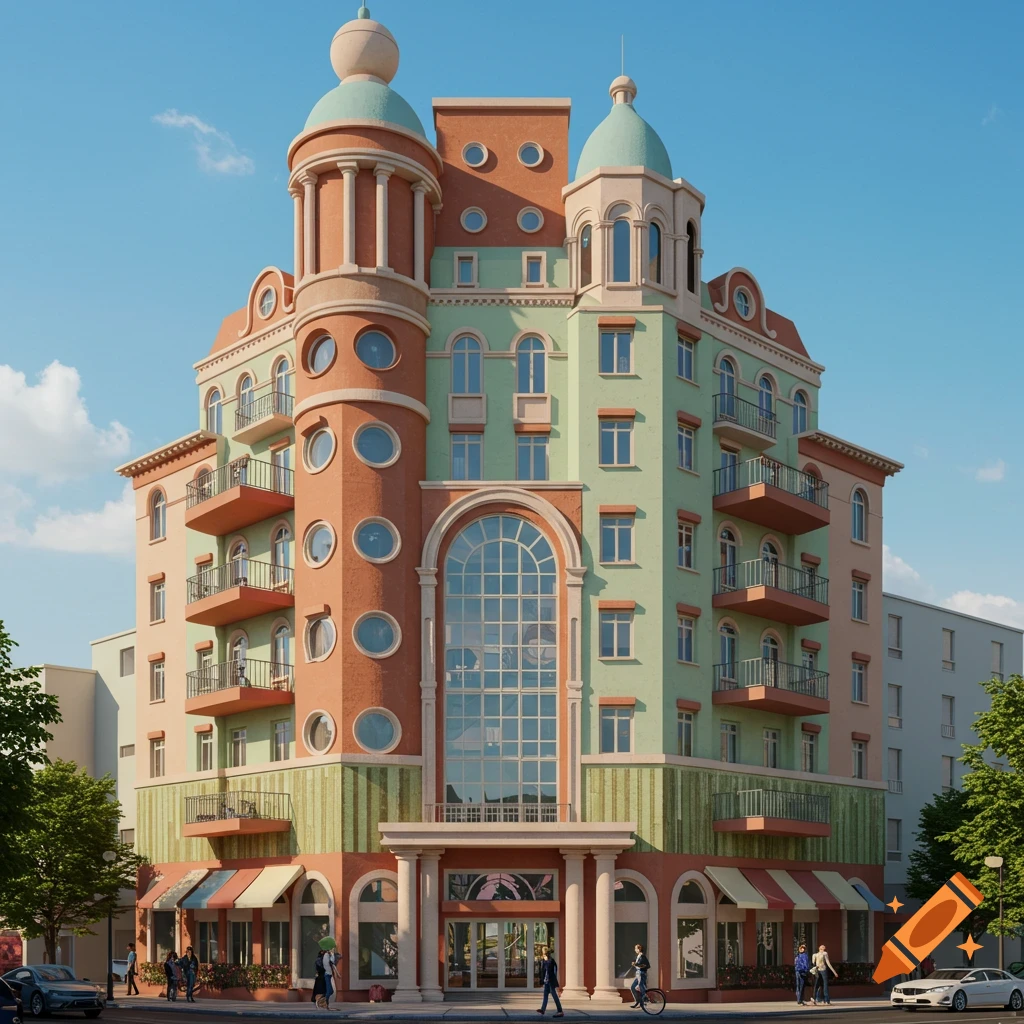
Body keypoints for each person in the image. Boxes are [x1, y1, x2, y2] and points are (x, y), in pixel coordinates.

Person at [535, 946, 563, 1018]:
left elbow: (554, 972)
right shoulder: (543, 961)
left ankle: (560, 1011)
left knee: (554, 996)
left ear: (545, 952)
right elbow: (542, 972)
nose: (542, 952)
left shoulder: (551, 961)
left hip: (550, 981)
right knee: (545, 996)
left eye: (543, 951)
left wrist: (555, 983)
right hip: (546, 981)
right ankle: (543, 1009)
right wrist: (542, 980)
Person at [630, 943, 650, 1009]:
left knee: (641, 988)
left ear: (639, 949)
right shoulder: (637, 956)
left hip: (642, 973)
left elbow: (647, 965)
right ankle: (638, 1001)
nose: (635, 949)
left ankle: (645, 999)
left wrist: (637, 964)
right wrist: (635, 964)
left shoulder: (643, 957)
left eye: (636, 948)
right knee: (633, 987)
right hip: (638, 974)